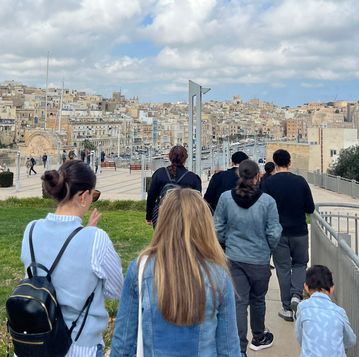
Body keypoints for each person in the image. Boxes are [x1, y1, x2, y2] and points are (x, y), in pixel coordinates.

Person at [111, 188, 240, 357]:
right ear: (204, 224)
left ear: (163, 221)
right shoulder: (218, 275)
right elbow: (228, 347)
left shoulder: (140, 270)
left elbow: (123, 342)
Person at [21, 160, 123, 357]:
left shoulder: (31, 229)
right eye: (94, 195)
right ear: (83, 196)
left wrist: (84, 235)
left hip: (35, 344)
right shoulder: (96, 239)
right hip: (79, 346)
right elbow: (116, 290)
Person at [214, 160, 282, 354]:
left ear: (238, 175)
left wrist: (228, 241)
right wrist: (268, 247)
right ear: (257, 176)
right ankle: (259, 337)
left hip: (234, 258)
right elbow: (275, 233)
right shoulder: (267, 201)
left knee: (239, 302)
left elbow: (217, 228)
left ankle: (239, 347)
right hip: (259, 259)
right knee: (258, 300)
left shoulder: (226, 198)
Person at [262, 149, 315, 321]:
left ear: (275, 164)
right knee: (300, 264)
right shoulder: (300, 181)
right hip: (299, 231)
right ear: (290, 162)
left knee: (283, 269)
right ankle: (296, 296)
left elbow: (263, 208)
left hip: (278, 233)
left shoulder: (269, 184)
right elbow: (310, 208)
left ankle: (286, 308)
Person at [294, 265, 356, 357]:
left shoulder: (303, 307)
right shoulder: (339, 312)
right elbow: (351, 340)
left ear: (306, 287)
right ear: (332, 288)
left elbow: (299, 335)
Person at [145, 145, 202, 227]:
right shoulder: (193, 178)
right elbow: (197, 202)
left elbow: (151, 196)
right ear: (185, 158)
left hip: (162, 216)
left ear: (170, 157)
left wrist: (149, 216)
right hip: (185, 217)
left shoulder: (159, 173)